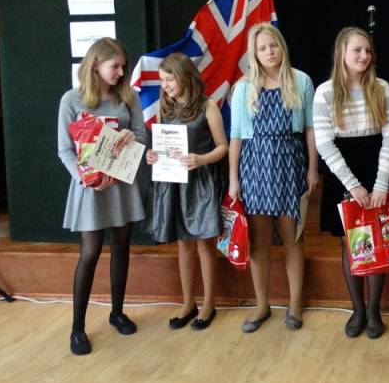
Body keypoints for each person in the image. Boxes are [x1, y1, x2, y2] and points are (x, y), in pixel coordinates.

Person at [57, 38, 147, 355]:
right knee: (90, 252)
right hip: (91, 188)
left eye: (123, 66)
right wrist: (85, 177)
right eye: (115, 66)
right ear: (95, 64)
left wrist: (131, 136)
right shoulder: (71, 99)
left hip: (121, 183)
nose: (121, 72)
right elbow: (64, 150)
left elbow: (142, 135)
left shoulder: (128, 97)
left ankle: (117, 313)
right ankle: (77, 328)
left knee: (121, 247)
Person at [228, 23, 318, 332]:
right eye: (262, 48)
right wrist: (233, 179)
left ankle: (295, 303)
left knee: (293, 236)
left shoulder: (301, 81)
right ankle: (262, 304)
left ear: (282, 46)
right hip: (255, 166)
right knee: (259, 240)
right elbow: (236, 136)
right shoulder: (243, 88)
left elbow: (310, 128)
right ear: (254, 53)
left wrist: (313, 168)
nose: (269, 52)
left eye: (273, 45)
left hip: (290, 163)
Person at [314, 26, 389, 339]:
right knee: (350, 242)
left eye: (367, 50)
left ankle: (374, 309)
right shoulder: (325, 92)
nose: (364, 56)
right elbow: (324, 144)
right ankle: (358, 309)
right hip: (343, 174)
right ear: (342, 53)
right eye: (357, 50)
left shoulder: (382, 88)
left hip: (377, 168)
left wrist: (380, 184)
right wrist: (352, 185)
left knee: (380, 238)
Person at [145, 53, 227, 331]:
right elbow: (160, 145)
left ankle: (208, 304)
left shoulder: (208, 106)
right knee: (183, 243)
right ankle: (188, 302)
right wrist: (152, 155)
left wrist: (201, 159)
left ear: (185, 76)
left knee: (204, 244)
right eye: (162, 80)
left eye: (169, 79)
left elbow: (223, 147)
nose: (165, 86)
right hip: (173, 182)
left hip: (200, 183)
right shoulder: (163, 107)